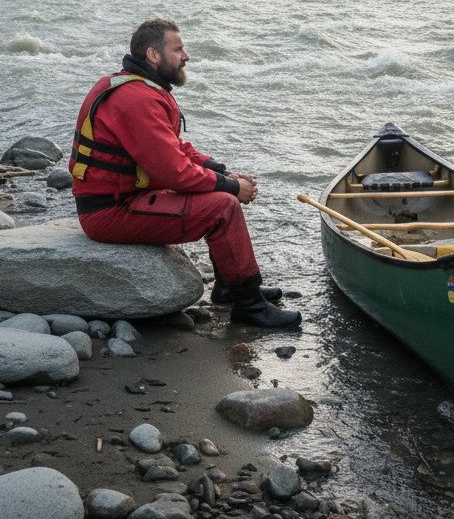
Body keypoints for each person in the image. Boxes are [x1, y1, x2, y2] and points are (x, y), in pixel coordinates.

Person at [69, 17, 300, 328]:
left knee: (222, 194)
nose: (186, 56)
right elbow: (175, 173)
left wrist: (221, 171)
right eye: (178, 49)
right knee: (223, 207)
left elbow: (175, 148)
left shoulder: (136, 87)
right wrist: (231, 187)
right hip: (110, 212)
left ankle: (228, 288)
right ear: (153, 55)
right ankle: (250, 306)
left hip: (125, 198)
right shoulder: (136, 99)